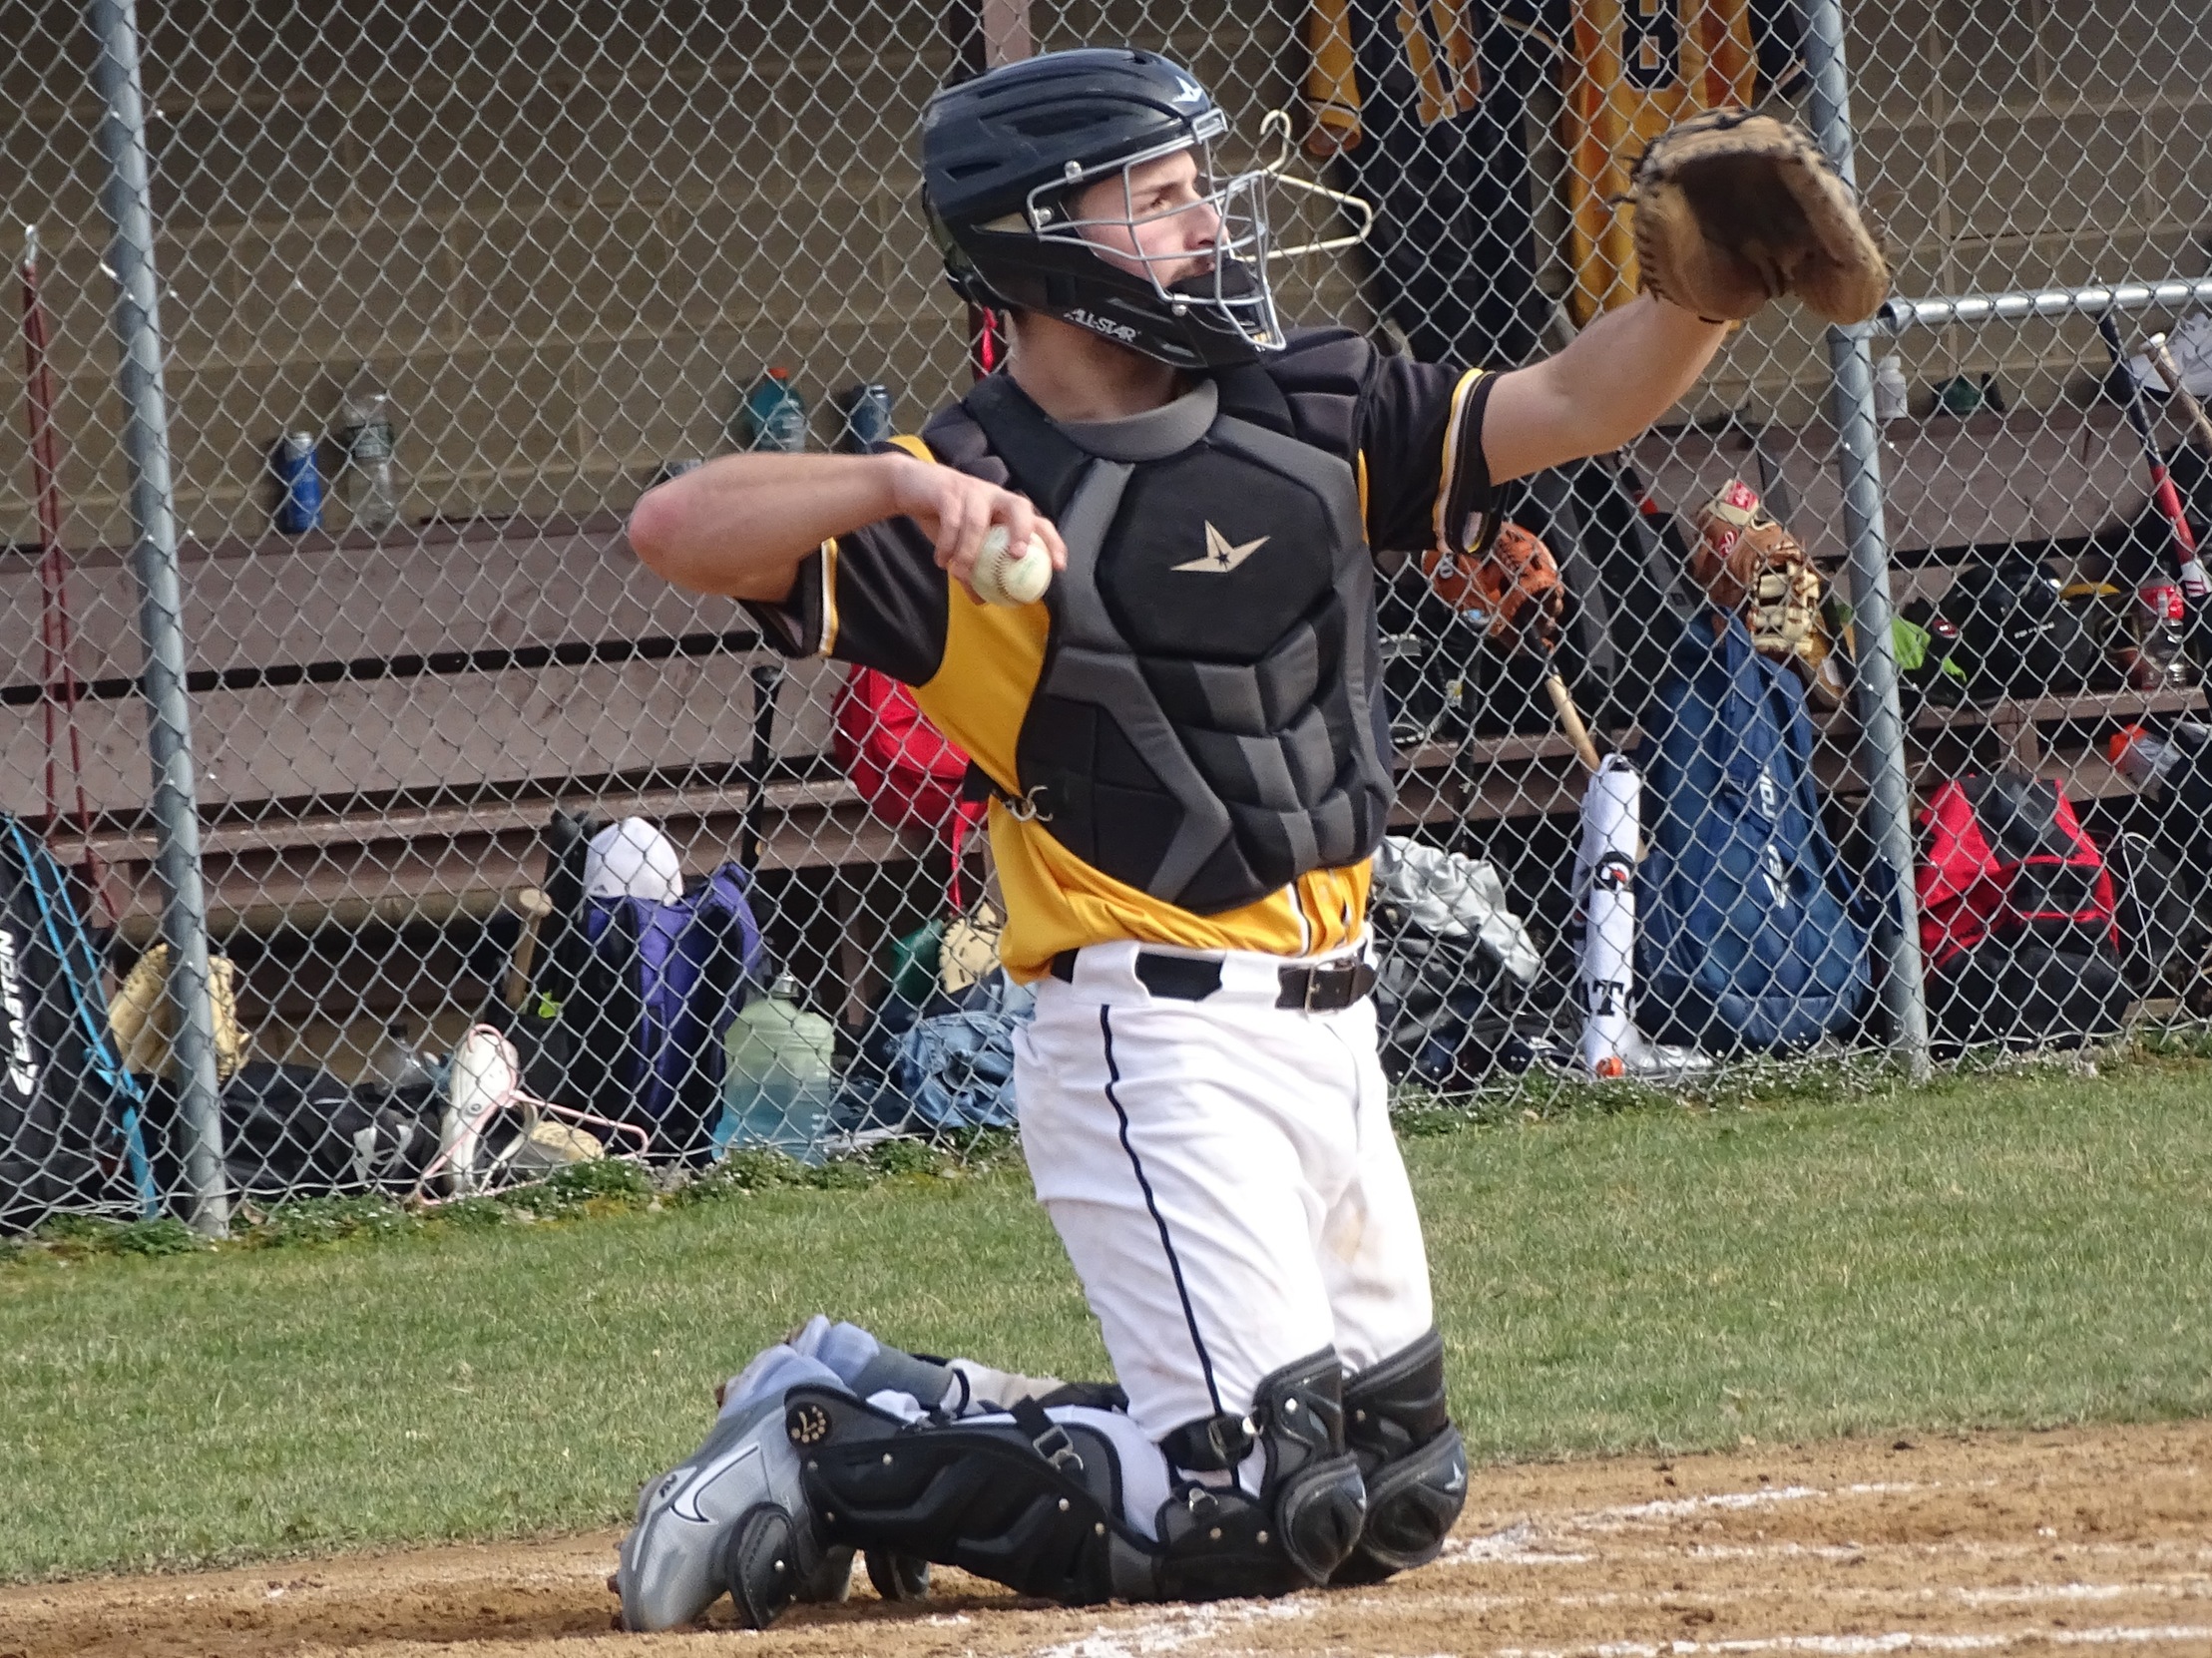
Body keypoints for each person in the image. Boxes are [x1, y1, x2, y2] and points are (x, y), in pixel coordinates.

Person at [615, 47, 1736, 1632]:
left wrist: (1709, 298)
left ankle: (887, 1390)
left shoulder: (1314, 402)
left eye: (1200, 188)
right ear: (1042, 241)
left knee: (1391, 1487)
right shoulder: (969, 491)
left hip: (1335, 1029)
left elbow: (1566, 402)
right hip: (1149, 1039)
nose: (1209, 225)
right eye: (1159, 199)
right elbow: (670, 529)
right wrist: (891, 486)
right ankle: (828, 1441)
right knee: (1257, 1505)